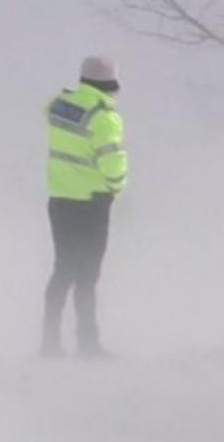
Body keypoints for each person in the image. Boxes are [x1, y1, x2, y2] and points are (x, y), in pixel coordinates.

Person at [41, 56, 128, 359]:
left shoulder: (58, 105)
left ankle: (49, 343)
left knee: (63, 268)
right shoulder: (104, 117)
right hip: (92, 203)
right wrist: (116, 189)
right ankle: (87, 343)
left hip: (60, 200)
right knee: (88, 274)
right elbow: (112, 160)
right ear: (113, 82)